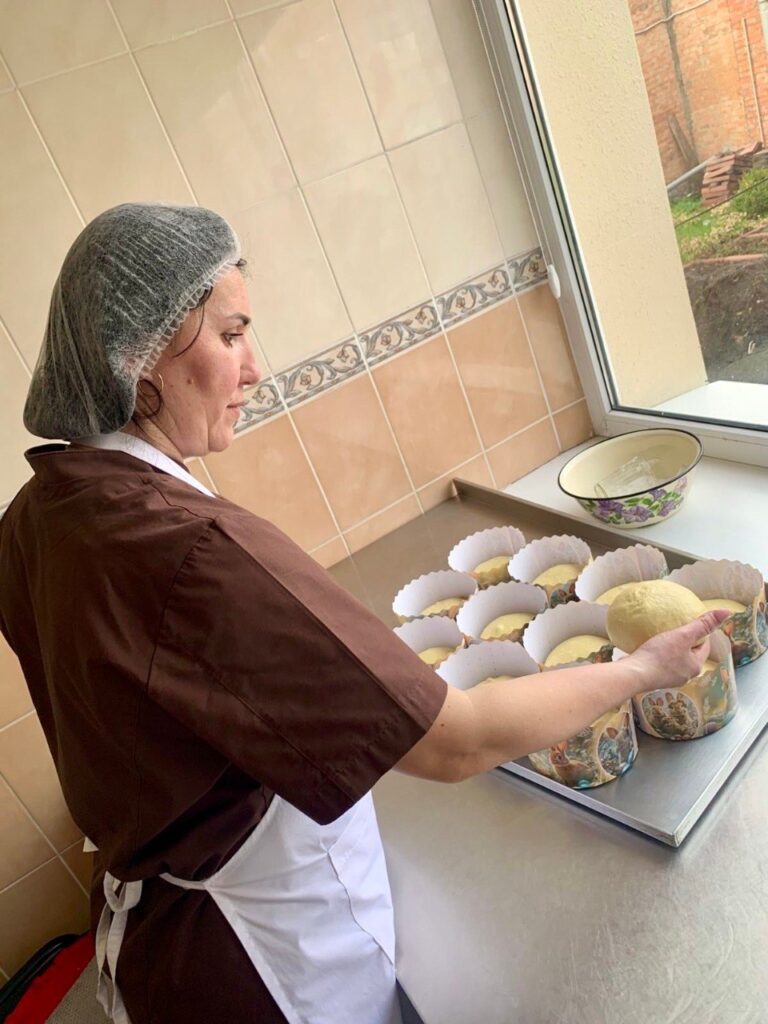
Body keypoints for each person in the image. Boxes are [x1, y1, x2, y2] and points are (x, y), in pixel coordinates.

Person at [0, 203, 728, 1024]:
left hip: (157, 944)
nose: (254, 369)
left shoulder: (41, 511)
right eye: (231, 336)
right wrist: (642, 668)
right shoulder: (190, 547)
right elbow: (459, 741)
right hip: (260, 964)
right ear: (138, 364)